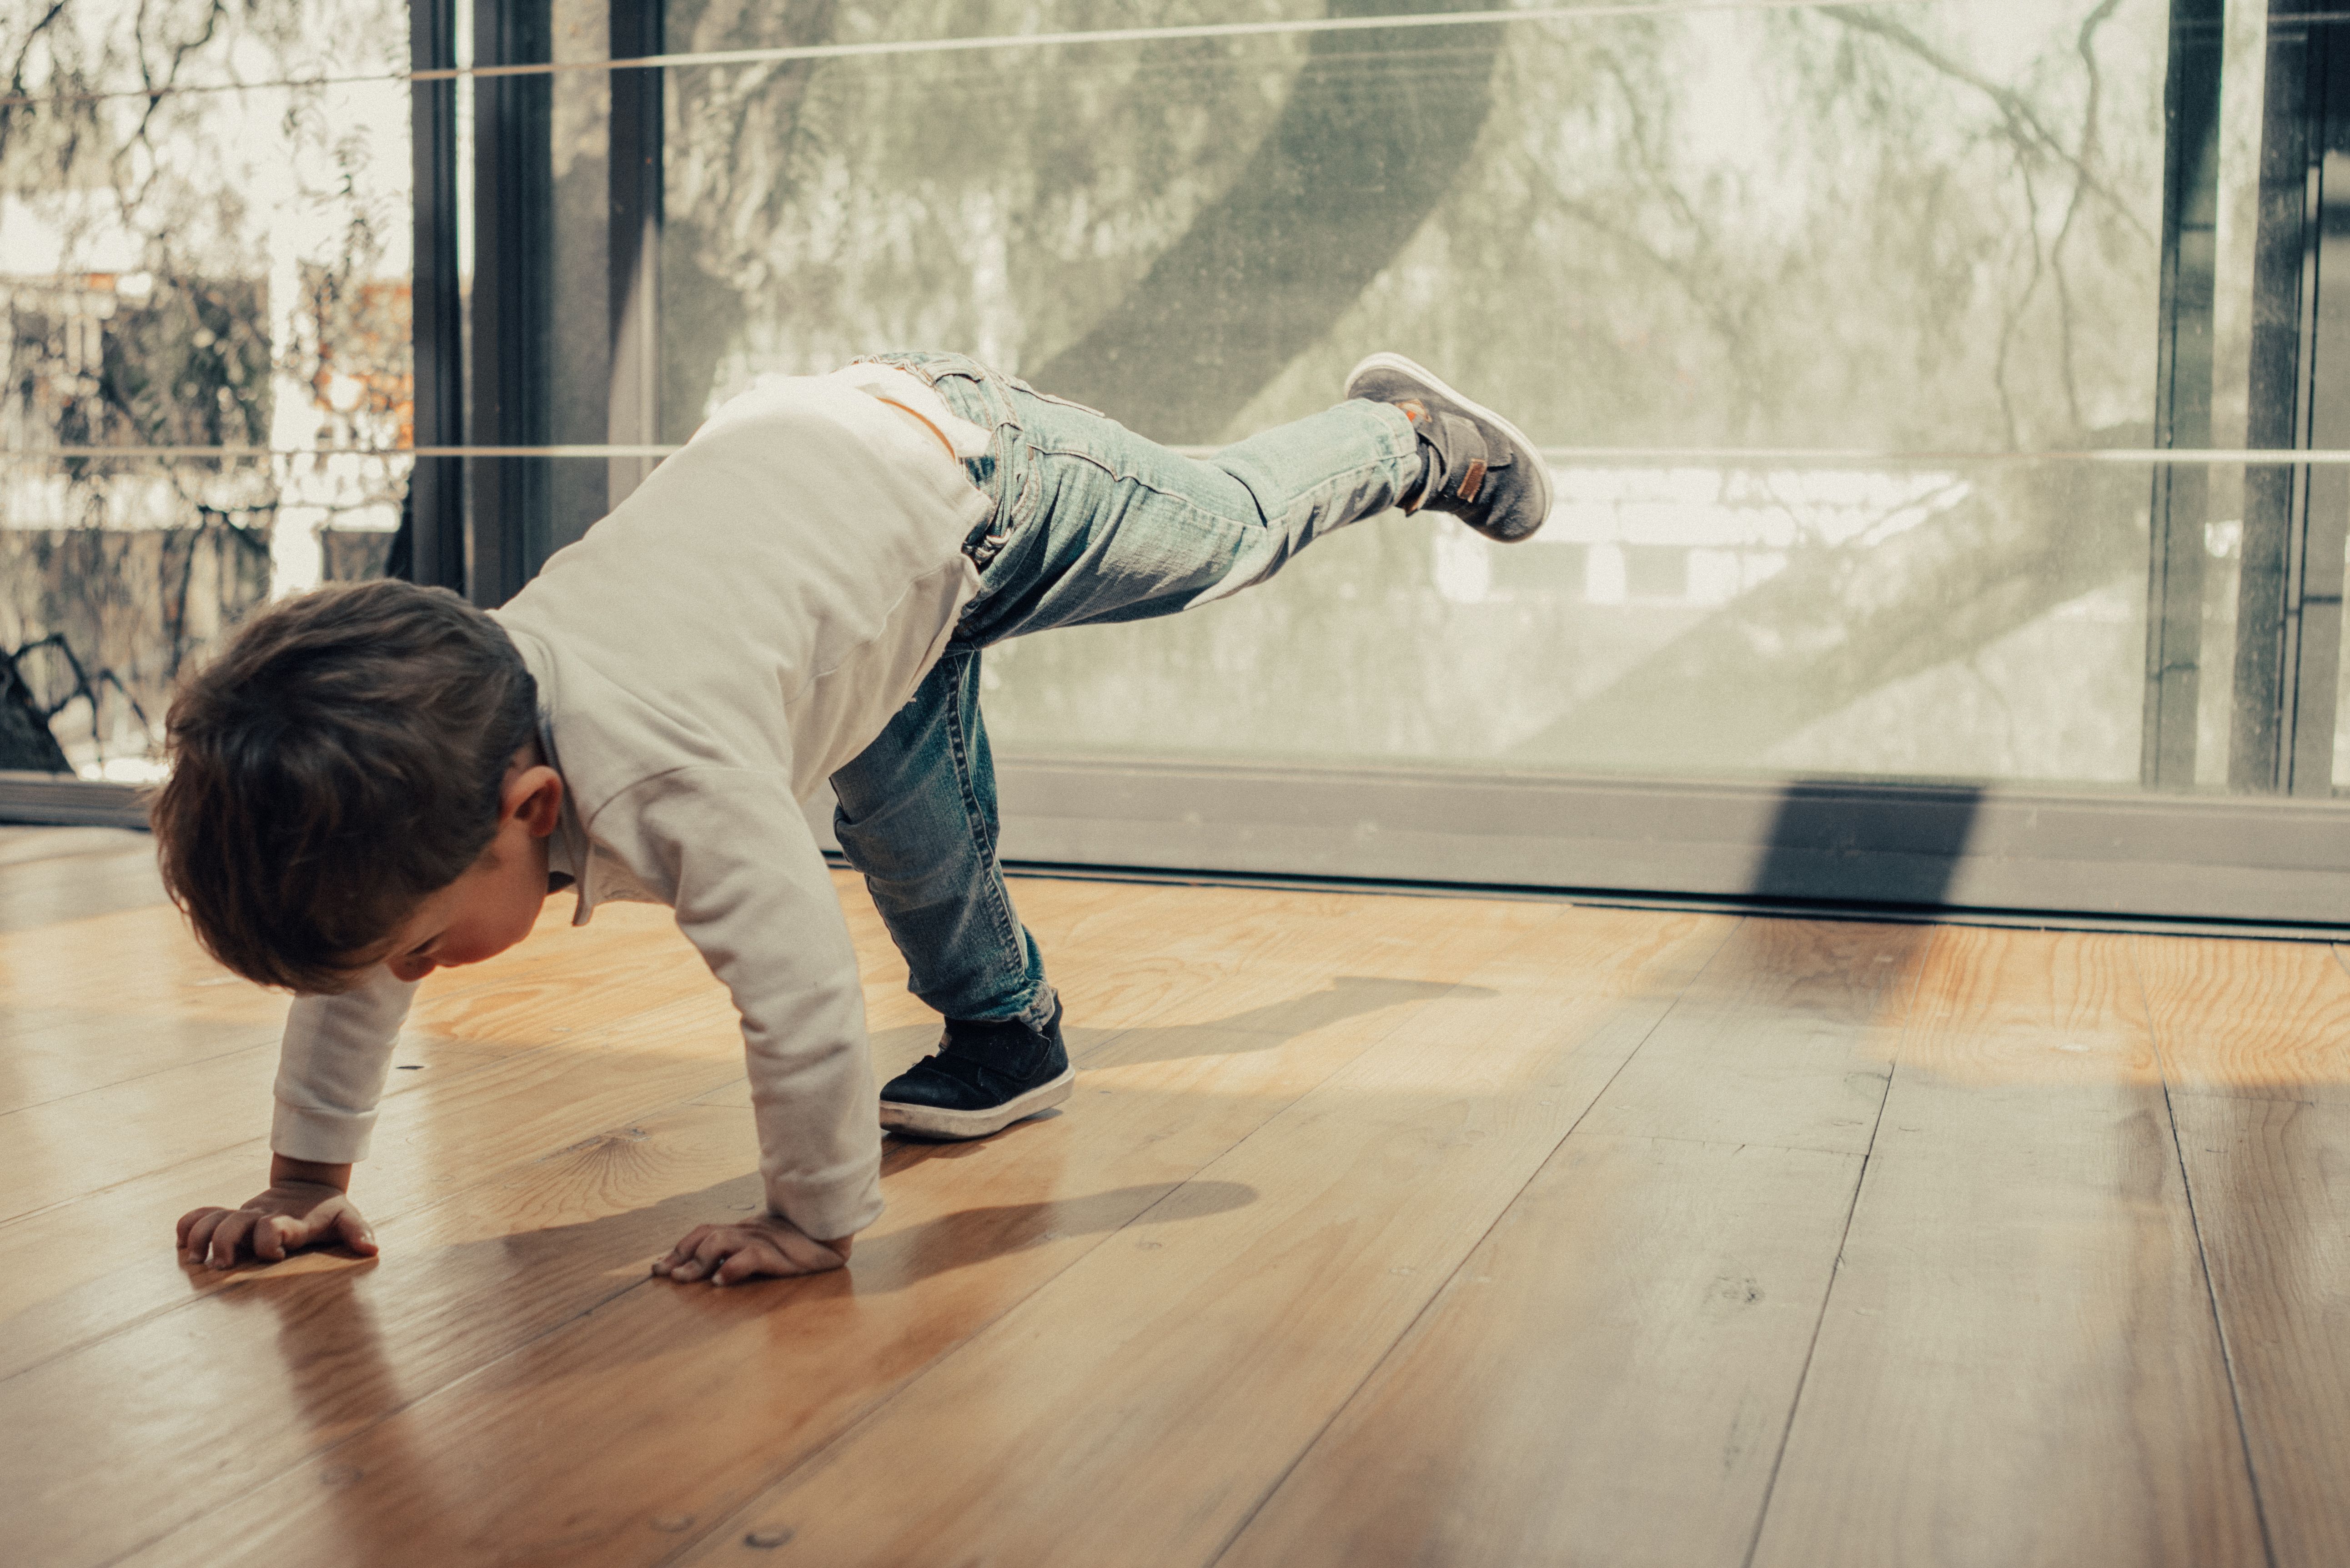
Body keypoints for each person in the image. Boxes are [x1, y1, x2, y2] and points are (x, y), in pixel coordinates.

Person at [153, 350, 1551, 1287]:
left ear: (532, 807)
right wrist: (299, 1184)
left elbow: (804, 994)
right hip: (854, 580)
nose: (410, 982)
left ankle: (1411, 440)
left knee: (1228, 535)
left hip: (971, 474)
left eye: (422, 954)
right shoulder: (456, 749)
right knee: (904, 822)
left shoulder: (669, 769)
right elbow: (351, 978)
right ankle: (1008, 1038)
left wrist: (810, 1217)